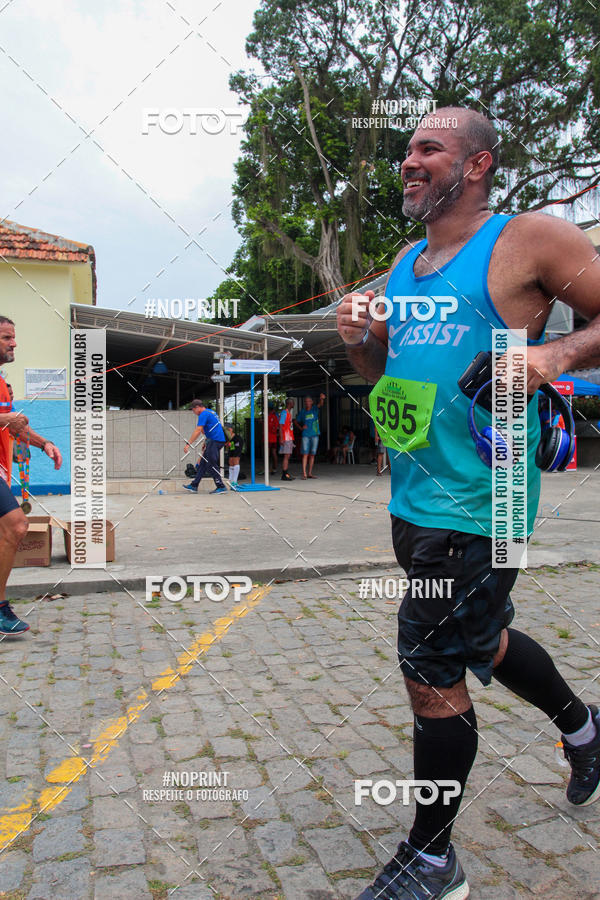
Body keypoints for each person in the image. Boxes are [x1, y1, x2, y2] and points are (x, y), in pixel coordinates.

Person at [337, 107, 600, 899]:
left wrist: (552, 354)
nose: (409, 162)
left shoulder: (530, 238)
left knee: (430, 662)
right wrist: (359, 334)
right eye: (406, 150)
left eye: (429, 149)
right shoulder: (406, 260)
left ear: (478, 164)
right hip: (414, 498)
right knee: (481, 641)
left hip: (483, 500)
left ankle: (432, 858)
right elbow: (384, 378)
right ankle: (586, 730)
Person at [0, 317, 62, 635]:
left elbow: (15, 427)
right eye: (7, 337)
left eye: (14, 337)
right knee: (17, 525)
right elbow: (6, 420)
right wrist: (5, 417)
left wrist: (45, 444)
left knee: (11, 530)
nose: (14, 343)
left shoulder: (1, 383)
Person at [183, 399, 227, 494]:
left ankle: (221, 486)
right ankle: (194, 485)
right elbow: (207, 429)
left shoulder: (203, 414)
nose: (193, 412)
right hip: (214, 440)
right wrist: (206, 441)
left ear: (197, 407)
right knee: (202, 464)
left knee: (211, 464)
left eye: (193, 410)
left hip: (215, 441)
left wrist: (188, 444)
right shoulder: (211, 412)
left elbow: (198, 430)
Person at [295, 393, 326, 479]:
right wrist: (301, 428)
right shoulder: (303, 412)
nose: (307, 403)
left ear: (312, 402)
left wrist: (322, 399)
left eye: (309, 401)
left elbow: (320, 404)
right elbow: (296, 421)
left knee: (312, 454)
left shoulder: (315, 409)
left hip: (315, 435)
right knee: (305, 454)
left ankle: (310, 473)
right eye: (306, 401)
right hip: (305, 435)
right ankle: (304, 473)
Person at [278, 397, 295, 481]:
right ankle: (284, 474)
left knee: (287, 455)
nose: (294, 404)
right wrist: (281, 438)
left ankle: (286, 473)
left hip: (289, 437)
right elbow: (280, 425)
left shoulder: (288, 413)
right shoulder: (284, 413)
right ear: (289, 404)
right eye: (293, 403)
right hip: (286, 437)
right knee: (286, 455)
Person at [224, 423, 243, 490]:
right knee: (230, 460)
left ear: (231, 429)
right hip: (232, 442)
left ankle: (234, 481)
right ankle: (231, 480)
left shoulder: (237, 437)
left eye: (228, 429)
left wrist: (228, 444)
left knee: (236, 459)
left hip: (237, 441)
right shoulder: (226, 435)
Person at [267, 402, 279, 474]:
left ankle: (268, 468)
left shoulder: (268, 416)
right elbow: (277, 426)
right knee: (274, 453)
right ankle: (274, 468)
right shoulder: (275, 416)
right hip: (274, 437)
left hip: (268, 437)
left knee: (268, 453)